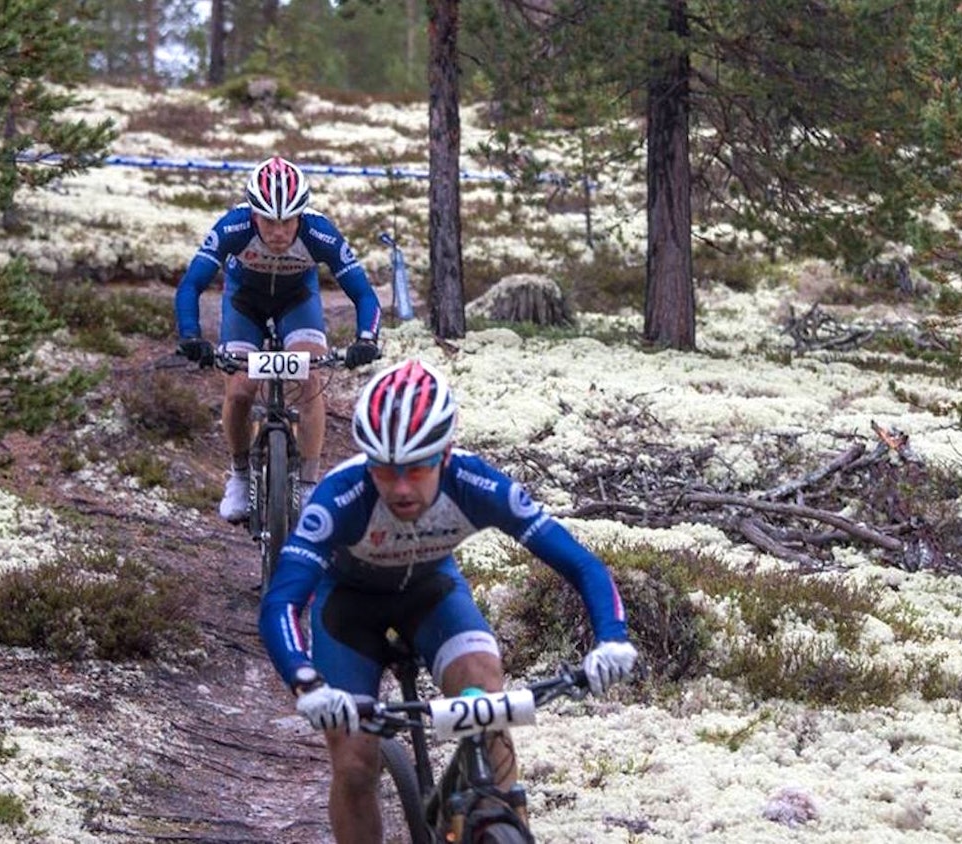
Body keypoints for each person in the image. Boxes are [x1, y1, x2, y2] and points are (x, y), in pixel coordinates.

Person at [258, 358, 638, 843]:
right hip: (349, 610)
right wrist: (305, 682)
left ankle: (502, 820)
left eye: (417, 469)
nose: (400, 487)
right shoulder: (340, 498)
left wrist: (612, 637)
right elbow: (281, 603)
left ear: (446, 454)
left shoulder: (477, 484)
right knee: (354, 764)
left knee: (488, 698)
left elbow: (581, 564)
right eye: (384, 470)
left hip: (430, 594)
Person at [174, 155, 382, 522]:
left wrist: (366, 339)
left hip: (297, 301)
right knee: (240, 390)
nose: (279, 232)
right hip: (244, 303)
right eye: (269, 221)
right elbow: (191, 284)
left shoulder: (320, 233)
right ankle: (240, 476)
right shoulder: (233, 227)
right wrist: (191, 336)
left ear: (301, 215)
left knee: (309, 379)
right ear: (254, 215)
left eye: (288, 221)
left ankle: (308, 484)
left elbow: (364, 294)